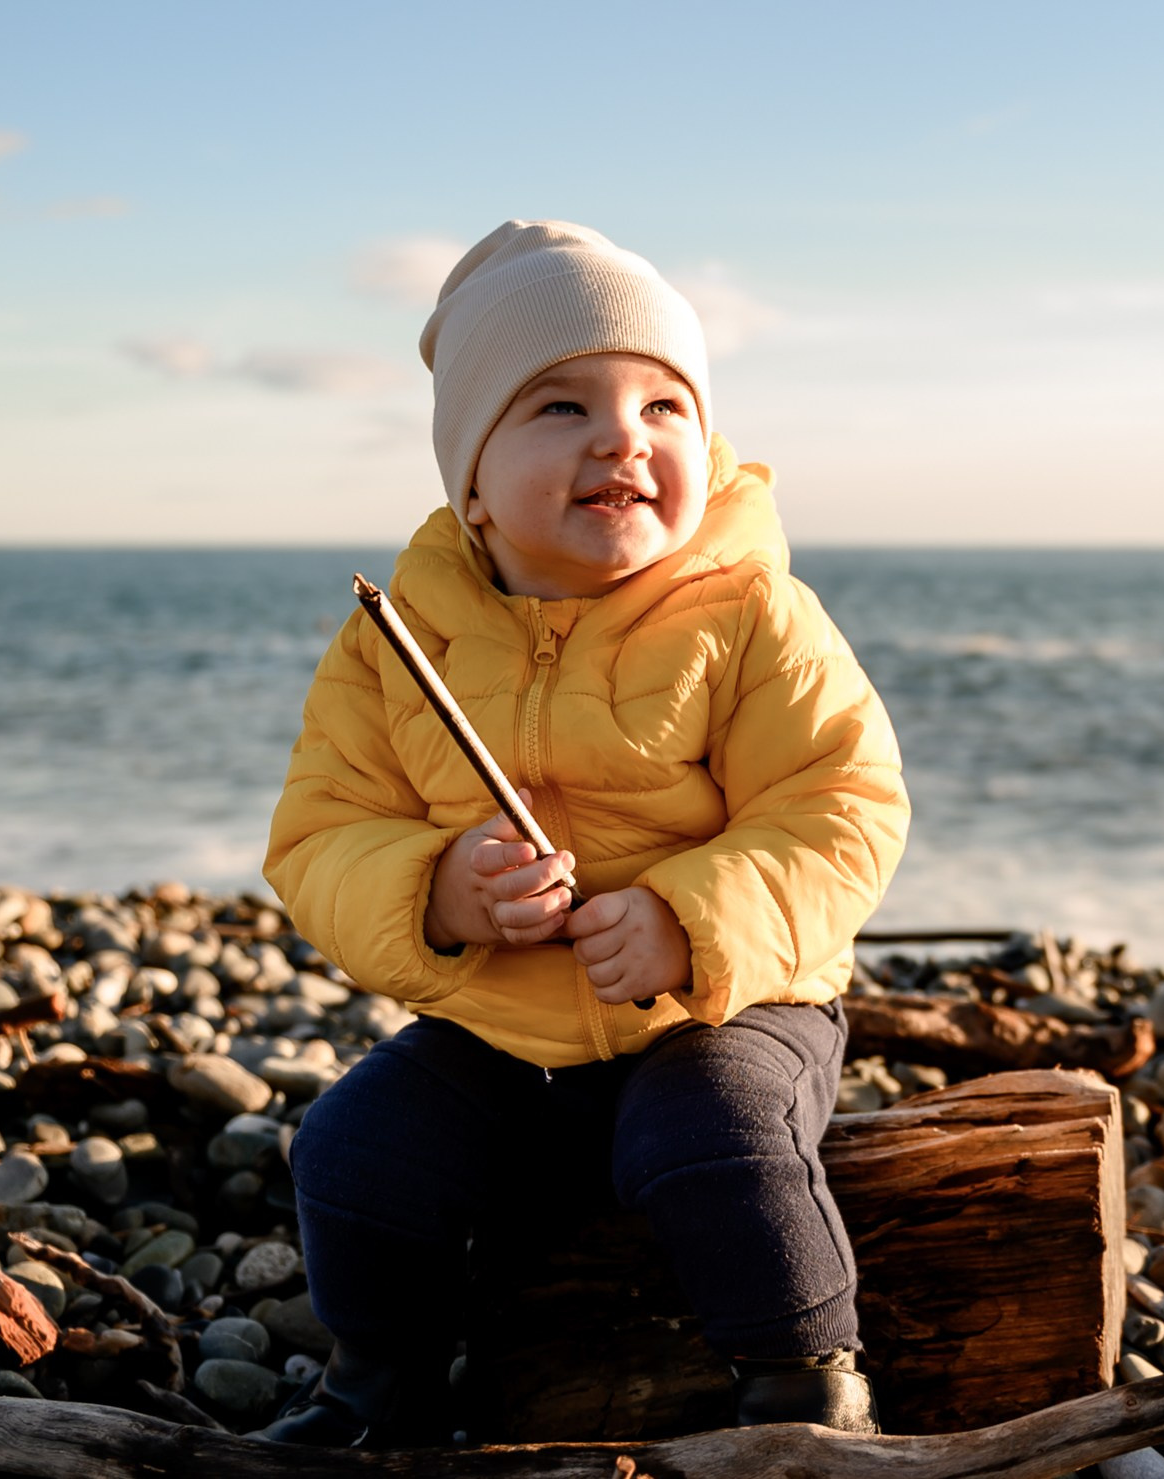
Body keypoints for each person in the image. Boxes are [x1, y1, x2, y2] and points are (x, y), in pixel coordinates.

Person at [261, 219, 909, 1448]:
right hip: (510, 1021)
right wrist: (439, 894)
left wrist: (689, 920)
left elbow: (841, 803)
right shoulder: (400, 638)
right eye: (561, 407)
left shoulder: (752, 613)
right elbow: (319, 834)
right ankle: (379, 1388)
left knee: (710, 1137)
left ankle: (804, 1390)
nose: (623, 435)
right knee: (351, 1151)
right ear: (471, 483)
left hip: (730, 1006)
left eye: (665, 406)